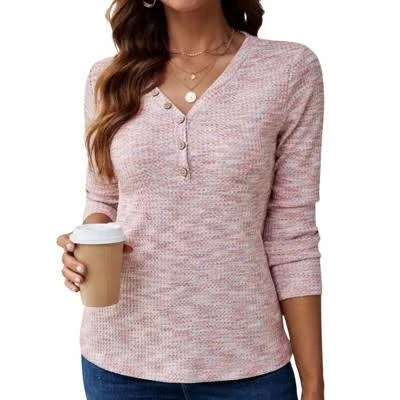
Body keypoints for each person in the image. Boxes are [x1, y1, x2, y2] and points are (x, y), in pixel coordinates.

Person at [56, 0, 325, 399]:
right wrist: (87, 245)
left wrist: (314, 382)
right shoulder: (107, 78)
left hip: (247, 366)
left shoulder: (288, 70)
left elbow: (291, 232)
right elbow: (104, 199)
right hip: (120, 362)